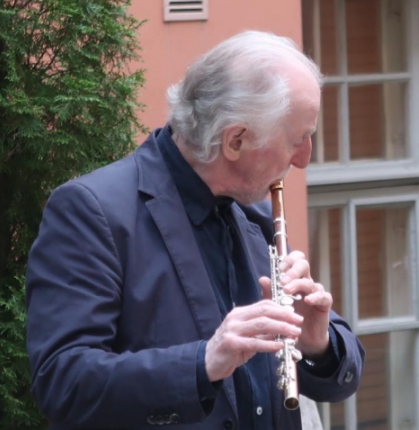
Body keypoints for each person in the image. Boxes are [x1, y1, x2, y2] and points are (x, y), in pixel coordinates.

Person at [26, 30, 365, 430]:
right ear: (235, 140)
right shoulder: (92, 210)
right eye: (297, 140)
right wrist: (203, 362)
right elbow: (63, 382)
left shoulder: (256, 211)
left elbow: (342, 377)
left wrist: (318, 343)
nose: (304, 159)